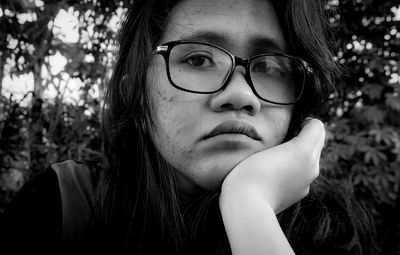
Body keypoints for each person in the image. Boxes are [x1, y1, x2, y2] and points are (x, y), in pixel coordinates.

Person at [0, 0, 376, 254]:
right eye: (198, 59)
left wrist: (249, 206)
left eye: (271, 67)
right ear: (137, 95)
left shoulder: (332, 232)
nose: (242, 95)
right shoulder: (63, 205)